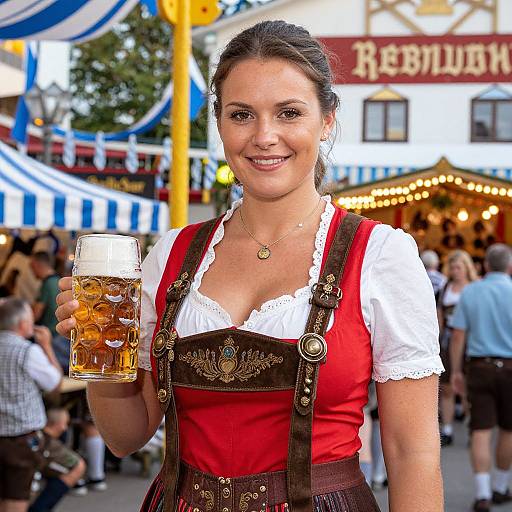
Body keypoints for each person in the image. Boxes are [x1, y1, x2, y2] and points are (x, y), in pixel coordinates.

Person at [56, 20, 444, 512]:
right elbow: (126, 437)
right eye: (241, 115)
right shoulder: (171, 256)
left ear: (326, 120)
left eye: (288, 113)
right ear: (219, 124)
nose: (264, 136)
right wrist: (100, 354)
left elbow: (413, 454)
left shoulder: (381, 255)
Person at [450, 244, 512, 512]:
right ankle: (500, 486)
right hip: (510, 367)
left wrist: (455, 370)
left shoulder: (472, 291)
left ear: (485, 265)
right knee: (508, 430)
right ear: (509, 266)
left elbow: (458, 335)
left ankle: (483, 493)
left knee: (481, 430)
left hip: (479, 367)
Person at [0, 297, 62, 512]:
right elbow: (55, 382)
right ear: (23, 323)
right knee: (15, 500)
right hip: (22, 439)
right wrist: (46, 346)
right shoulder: (28, 351)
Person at [437, 250, 478, 447]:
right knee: (446, 388)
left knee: (469, 388)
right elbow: (440, 315)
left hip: (470, 341)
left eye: (459, 267)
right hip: (447, 340)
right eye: (452, 268)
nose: (455, 271)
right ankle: (448, 429)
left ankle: (473, 428)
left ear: (466, 268)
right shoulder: (446, 288)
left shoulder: (474, 288)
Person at [28, 408, 86, 512]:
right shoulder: (48, 444)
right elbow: (77, 464)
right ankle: (40, 508)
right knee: (78, 466)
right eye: (65, 423)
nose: (65, 428)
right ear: (60, 424)